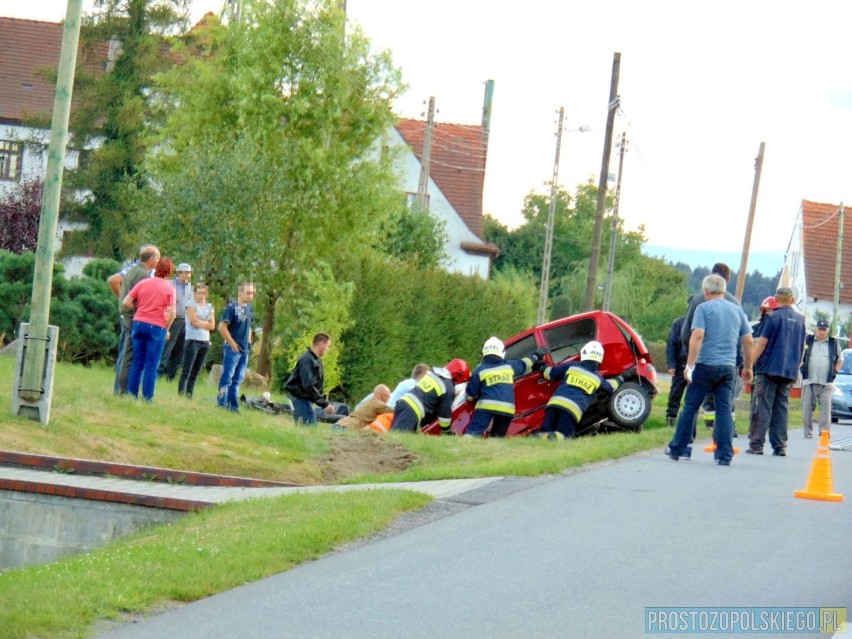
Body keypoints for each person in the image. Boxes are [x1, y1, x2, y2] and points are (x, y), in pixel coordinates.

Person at [666, 274, 754, 465]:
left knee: (690, 406)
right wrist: (748, 366)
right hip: (728, 367)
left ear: (705, 291)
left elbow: (697, 336)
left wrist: (689, 365)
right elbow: (748, 340)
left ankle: (678, 448)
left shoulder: (703, 308)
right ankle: (724, 455)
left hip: (706, 365)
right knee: (724, 411)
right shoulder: (737, 310)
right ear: (723, 290)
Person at [681, 262, 743, 434]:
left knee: (691, 403)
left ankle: (686, 442)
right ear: (728, 279)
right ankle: (725, 444)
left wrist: (690, 359)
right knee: (725, 405)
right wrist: (740, 361)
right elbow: (743, 337)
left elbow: (687, 333)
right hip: (728, 362)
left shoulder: (699, 300)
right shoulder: (735, 304)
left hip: (702, 360)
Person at [747, 286, 806, 456]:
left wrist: (749, 365)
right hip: (789, 370)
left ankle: (757, 444)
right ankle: (780, 446)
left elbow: (762, 343)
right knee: (781, 408)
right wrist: (797, 366)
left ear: (776, 298)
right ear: (793, 300)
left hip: (768, 369)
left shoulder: (773, 317)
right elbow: (802, 348)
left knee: (763, 406)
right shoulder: (801, 320)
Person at [534, 340, 621, 441]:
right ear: (600, 358)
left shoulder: (572, 366)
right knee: (565, 437)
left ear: (584, 353)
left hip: (554, 404)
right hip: (571, 410)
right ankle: (549, 437)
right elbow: (610, 387)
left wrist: (540, 365)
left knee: (546, 433)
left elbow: (550, 374)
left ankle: (540, 437)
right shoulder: (598, 378)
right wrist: (622, 378)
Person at [122, 257, 176, 402]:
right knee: (151, 365)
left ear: (157, 269)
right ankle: (147, 398)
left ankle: (131, 395)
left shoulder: (144, 283)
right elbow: (172, 313)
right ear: (170, 272)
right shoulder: (169, 288)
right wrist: (166, 328)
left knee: (137, 362)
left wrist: (138, 310)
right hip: (157, 327)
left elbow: (126, 301)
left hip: (138, 323)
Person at [464, 336, 539, 438]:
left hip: (486, 407)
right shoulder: (509, 366)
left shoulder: (479, 370)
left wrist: (474, 396)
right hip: (507, 408)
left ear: (484, 352)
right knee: (498, 437)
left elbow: (470, 394)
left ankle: (464, 449)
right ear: (502, 352)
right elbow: (524, 364)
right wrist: (535, 356)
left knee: (474, 432)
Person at [116, 245, 161, 394]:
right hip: (131, 317)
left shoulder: (132, 270)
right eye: (158, 258)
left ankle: (120, 389)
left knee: (125, 356)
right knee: (130, 357)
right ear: (151, 259)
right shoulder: (142, 275)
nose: (159, 261)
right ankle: (123, 391)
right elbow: (139, 299)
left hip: (126, 316)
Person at [391, 359, 471, 434]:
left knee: (392, 436)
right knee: (397, 440)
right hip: (412, 410)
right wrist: (447, 432)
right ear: (458, 375)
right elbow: (444, 416)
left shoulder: (433, 373)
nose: (458, 383)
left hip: (402, 402)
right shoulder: (449, 388)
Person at [217, 281, 255, 413]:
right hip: (233, 349)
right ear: (241, 292)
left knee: (238, 379)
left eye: (253, 293)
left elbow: (249, 325)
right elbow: (222, 327)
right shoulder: (232, 307)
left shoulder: (249, 308)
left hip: (245, 349)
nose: (251, 296)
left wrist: (249, 339)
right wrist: (232, 343)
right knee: (227, 377)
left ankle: (233, 406)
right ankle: (222, 403)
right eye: (248, 293)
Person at [799, 318, 842, 439]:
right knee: (807, 408)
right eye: (820, 329)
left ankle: (824, 431)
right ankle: (807, 431)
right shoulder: (808, 340)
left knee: (826, 409)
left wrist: (835, 372)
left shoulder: (833, 342)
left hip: (826, 382)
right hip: (810, 380)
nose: (822, 332)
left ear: (827, 330)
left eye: (824, 329)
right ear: (816, 329)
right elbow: (800, 355)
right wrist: (801, 367)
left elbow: (840, 359)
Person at [284, 332, 335, 425]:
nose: (328, 349)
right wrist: (324, 404)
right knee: (308, 428)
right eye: (328, 346)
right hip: (300, 400)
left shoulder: (316, 359)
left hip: (306, 400)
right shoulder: (306, 360)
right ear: (321, 344)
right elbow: (309, 385)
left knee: (310, 428)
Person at [178, 282, 215, 399]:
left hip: (205, 341)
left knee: (196, 370)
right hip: (193, 340)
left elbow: (212, 325)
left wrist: (201, 323)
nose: (201, 295)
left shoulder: (209, 307)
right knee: (187, 369)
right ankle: (181, 392)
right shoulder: (191, 305)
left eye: (203, 292)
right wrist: (205, 323)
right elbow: (194, 321)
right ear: (195, 293)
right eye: (199, 292)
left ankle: (189, 394)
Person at [158, 262, 193, 381]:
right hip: (172, 320)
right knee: (167, 348)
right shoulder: (170, 284)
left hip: (185, 322)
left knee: (179, 350)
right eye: (186, 273)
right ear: (179, 273)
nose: (188, 275)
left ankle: (170, 377)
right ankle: (158, 374)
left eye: (190, 273)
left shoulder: (190, 288)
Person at [665, 315, 687, 427]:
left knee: (695, 395)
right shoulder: (678, 323)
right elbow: (671, 344)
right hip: (680, 364)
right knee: (675, 393)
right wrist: (671, 364)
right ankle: (671, 418)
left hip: (698, 365)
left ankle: (690, 421)